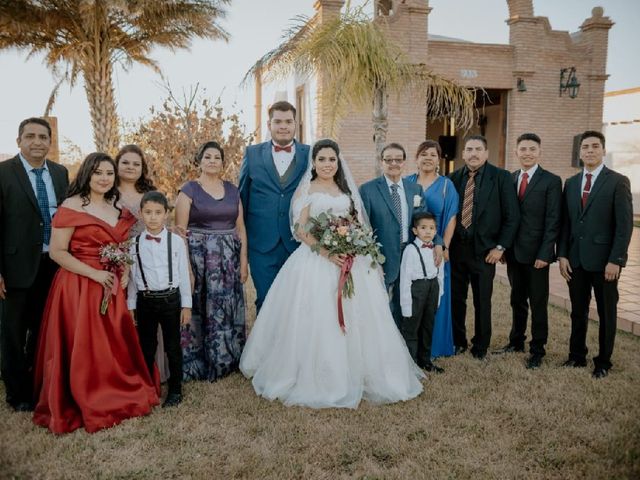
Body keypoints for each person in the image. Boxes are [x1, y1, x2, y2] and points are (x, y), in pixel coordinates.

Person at [240, 139, 423, 408]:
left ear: (338, 163)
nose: (327, 164)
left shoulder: (346, 190)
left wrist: (357, 248)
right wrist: (327, 252)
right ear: (313, 163)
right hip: (316, 260)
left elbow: (358, 225)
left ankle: (363, 371)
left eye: (332, 160)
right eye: (322, 159)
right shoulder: (307, 190)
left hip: (351, 261)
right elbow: (300, 230)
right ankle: (319, 373)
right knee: (317, 316)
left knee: (361, 317)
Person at [32, 152, 158, 434]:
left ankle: (113, 390)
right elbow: (57, 252)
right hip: (78, 286)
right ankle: (83, 395)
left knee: (112, 343)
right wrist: (94, 274)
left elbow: (123, 247)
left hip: (111, 287)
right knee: (84, 345)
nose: (104, 178)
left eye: (109, 173)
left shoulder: (117, 207)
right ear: (87, 174)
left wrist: (123, 271)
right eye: (98, 172)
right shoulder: (72, 205)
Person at [0, 117, 69, 412]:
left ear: (50, 142)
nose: (37, 142)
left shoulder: (60, 173)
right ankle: (17, 394)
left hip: (53, 264)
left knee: (43, 330)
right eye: (30, 136)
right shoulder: (4, 173)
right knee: (13, 334)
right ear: (18, 141)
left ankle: (40, 384)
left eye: (43, 137)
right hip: (14, 266)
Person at [558, 130, 633, 379]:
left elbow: (624, 226)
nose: (589, 150)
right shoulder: (570, 183)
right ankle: (576, 356)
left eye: (595, 146)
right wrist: (563, 255)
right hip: (576, 260)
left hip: (604, 263)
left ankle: (603, 362)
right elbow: (566, 223)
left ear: (602, 150)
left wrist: (616, 260)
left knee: (606, 313)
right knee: (578, 311)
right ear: (579, 152)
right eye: (585, 147)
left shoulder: (617, 181)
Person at [176, 141, 248, 381]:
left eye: (217, 157)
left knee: (226, 306)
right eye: (207, 156)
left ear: (223, 163)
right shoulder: (188, 190)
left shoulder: (233, 190)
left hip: (228, 259)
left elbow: (241, 229)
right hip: (199, 257)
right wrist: (186, 268)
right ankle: (197, 363)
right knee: (199, 305)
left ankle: (226, 359)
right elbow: (180, 232)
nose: (212, 161)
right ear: (200, 161)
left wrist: (243, 259)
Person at [448, 135, 520, 359]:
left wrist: (500, 247)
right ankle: (458, 341)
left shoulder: (501, 177)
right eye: (469, 149)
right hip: (457, 250)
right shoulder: (452, 178)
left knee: (482, 300)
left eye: (478, 149)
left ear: (486, 153)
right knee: (456, 299)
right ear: (463, 154)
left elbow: (512, 216)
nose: (473, 153)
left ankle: (480, 345)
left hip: (485, 252)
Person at [494, 133, 561, 369]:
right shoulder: (510, 179)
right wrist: (503, 247)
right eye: (523, 149)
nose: (527, 153)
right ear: (516, 152)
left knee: (538, 303)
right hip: (513, 253)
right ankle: (516, 341)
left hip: (537, 256)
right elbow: (505, 216)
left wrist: (546, 254)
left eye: (532, 149)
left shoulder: (551, 181)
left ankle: (537, 349)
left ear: (539, 152)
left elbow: (553, 220)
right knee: (517, 299)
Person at [360, 142, 442, 328]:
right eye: (388, 159)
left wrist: (437, 242)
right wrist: (371, 257)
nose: (393, 163)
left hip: (410, 255)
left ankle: (403, 346)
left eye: (398, 159)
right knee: (381, 305)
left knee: (406, 304)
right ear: (382, 162)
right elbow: (363, 227)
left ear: (404, 163)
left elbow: (424, 221)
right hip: (382, 255)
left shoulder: (415, 190)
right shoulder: (367, 190)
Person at [239, 101, 310, 310]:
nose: (283, 126)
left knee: (295, 303)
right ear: (269, 124)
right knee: (266, 301)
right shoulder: (251, 154)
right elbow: (242, 198)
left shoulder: (309, 154)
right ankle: (266, 344)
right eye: (278, 121)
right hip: (261, 245)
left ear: (296, 124)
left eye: (288, 121)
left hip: (298, 243)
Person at [128, 191, 192, 407]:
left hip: (171, 300)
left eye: (158, 212)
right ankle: (148, 388)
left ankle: (175, 389)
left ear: (166, 214)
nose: (153, 217)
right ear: (140, 214)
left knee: (172, 347)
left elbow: (183, 274)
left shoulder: (175, 241)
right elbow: (133, 278)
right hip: (145, 301)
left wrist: (186, 305)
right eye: (148, 212)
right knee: (146, 346)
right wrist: (131, 306)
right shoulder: (134, 244)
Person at [115, 144, 170, 382]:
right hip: (117, 259)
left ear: (143, 168)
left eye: (136, 163)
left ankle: (152, 368)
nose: (131, 167)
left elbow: (161, 222)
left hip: (149, 260)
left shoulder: (149, 194)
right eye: (125, 162)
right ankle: (123, 367)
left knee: (149, 314)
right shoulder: (108, 192)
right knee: (124, 313)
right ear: (117, 164)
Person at [405, 140, 458, 358]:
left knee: (437, 296)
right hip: (410, 248)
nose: (428, 158)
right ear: (416, 158)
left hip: (435, 249)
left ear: (439, 159)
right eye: (423, 154)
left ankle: (434, 346)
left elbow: (452, 217)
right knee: (409, 295)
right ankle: (408, 345)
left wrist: (443, 245)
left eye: (433, 155)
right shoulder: (407, 181)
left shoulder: (446, 185)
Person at [399, 212, 445, 373]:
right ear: (414, 230)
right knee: (411, 327)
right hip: (416, 290)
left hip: (433, 288)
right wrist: (406, 306)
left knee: (428, 326)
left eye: (432, 228)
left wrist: (438, 297)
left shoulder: (436, 249)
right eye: (423, 228)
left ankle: (425, 360)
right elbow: (405, 279)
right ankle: (410, 364)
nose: (428, 231)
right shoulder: (410, 250)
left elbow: (440, 275)